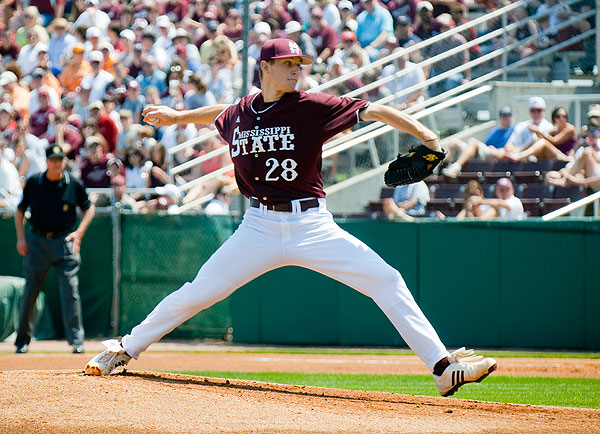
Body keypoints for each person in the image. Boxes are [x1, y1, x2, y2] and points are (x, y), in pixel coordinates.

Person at [84, 38, 497, 398]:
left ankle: (443, 369)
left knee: (385, 279)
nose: (296, 72)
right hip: (257, 227)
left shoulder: (311, 107)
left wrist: (428, 137)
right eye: (288, 65)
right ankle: (124, 348)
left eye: (299, 66)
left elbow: (374, 110)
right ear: (265, 67)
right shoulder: (240, 113)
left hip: (311, 225)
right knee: (197, 292)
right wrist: (176, 118)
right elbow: (221, 111)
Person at [14, 145, 95, 354]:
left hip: (64, 241)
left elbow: (89, 208)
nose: (57, 163)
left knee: (71, 290)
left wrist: (80, 233)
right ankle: (22, 341)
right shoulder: (34, 182)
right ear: (47, 161)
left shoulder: (73, 183)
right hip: (37, 240)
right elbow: (19, 211)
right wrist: (21, 239)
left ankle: (77, 341)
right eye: (53, 159)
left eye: (60, 159)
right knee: (30, 291)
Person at [442, 106, 516, 178]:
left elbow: (514, 147)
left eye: (508, 115)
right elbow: (485, 145)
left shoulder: (515, 130)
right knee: (453, 142)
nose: (506, 118)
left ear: (512, 117)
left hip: (500, 153)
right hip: (487, 152)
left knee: (472, 141)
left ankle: (456, 168)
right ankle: (435, 168)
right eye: (503, 115)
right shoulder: (495, 131)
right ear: (500, 118)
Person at [506, 107, 576, 162]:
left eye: (564, 116)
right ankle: (517, 151)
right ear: (554, 119)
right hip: (554, 156)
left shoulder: (569, 128)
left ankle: (519, 156)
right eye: (558, 116)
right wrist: (536, 132)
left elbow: (555, 141)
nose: (562, 118)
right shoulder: (555, 130)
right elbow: (540, 138)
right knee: (537, 140)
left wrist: (538, 131)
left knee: (543, 142)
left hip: (564, 157)